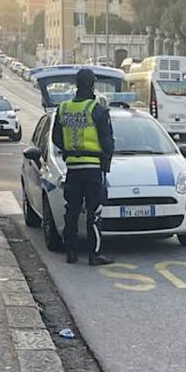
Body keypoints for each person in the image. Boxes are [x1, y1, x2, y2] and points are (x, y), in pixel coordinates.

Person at [52, 68, 115, 266]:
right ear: (92, 84)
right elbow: (107, 141)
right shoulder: (96, 109)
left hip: (72, 168)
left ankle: (71, 252)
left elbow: (56, 138)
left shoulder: (63, 108)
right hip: (93, 167)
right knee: (94, 212)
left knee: (72, 211)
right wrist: (106, 162)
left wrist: (71, 150)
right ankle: (94, 254)